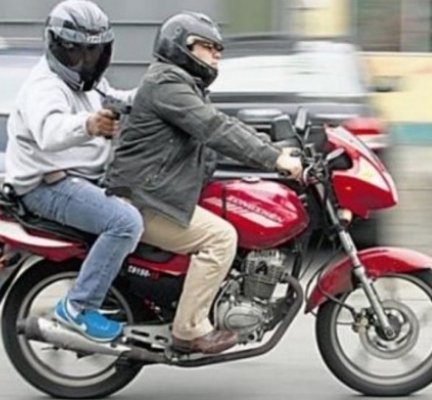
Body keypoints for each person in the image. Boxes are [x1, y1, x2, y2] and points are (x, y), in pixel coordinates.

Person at [104, 12, 302, 354]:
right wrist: (275, 159)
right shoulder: (167, 84)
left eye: (218, 48)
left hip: (157, 191)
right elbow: (214, 129)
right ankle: (189, 329)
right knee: (221, 238)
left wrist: (273, 148)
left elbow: (221, 126)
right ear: (181, 47)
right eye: (208, 47)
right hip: (143, 198)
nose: (217, 55)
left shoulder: (181, 85)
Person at [4, 0, 143, 342]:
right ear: (56, 45)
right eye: (77, 52)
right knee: (125, 223)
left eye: (93, 52)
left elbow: (117, 99)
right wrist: (89, 125)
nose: (85, 60)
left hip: (81, 177)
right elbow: (50, 131)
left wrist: (160, 91)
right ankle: (78, 308)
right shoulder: (45, 86)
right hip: (47, 187)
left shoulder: (87, 82)